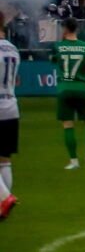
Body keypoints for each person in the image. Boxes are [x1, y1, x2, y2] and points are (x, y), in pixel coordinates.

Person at [51, 18, 85, 170]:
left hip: (64, 89)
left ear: (65, 29)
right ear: (77, 29)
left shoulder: (57, 47)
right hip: (81, 89)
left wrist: (62, 41)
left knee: (68, 124)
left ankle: (74, 162)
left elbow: (53, 60)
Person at [0, 17, 19, 218]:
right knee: (4, 160)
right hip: (11, 107)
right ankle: (4, 203)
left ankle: (5, 197)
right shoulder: (13, 49)